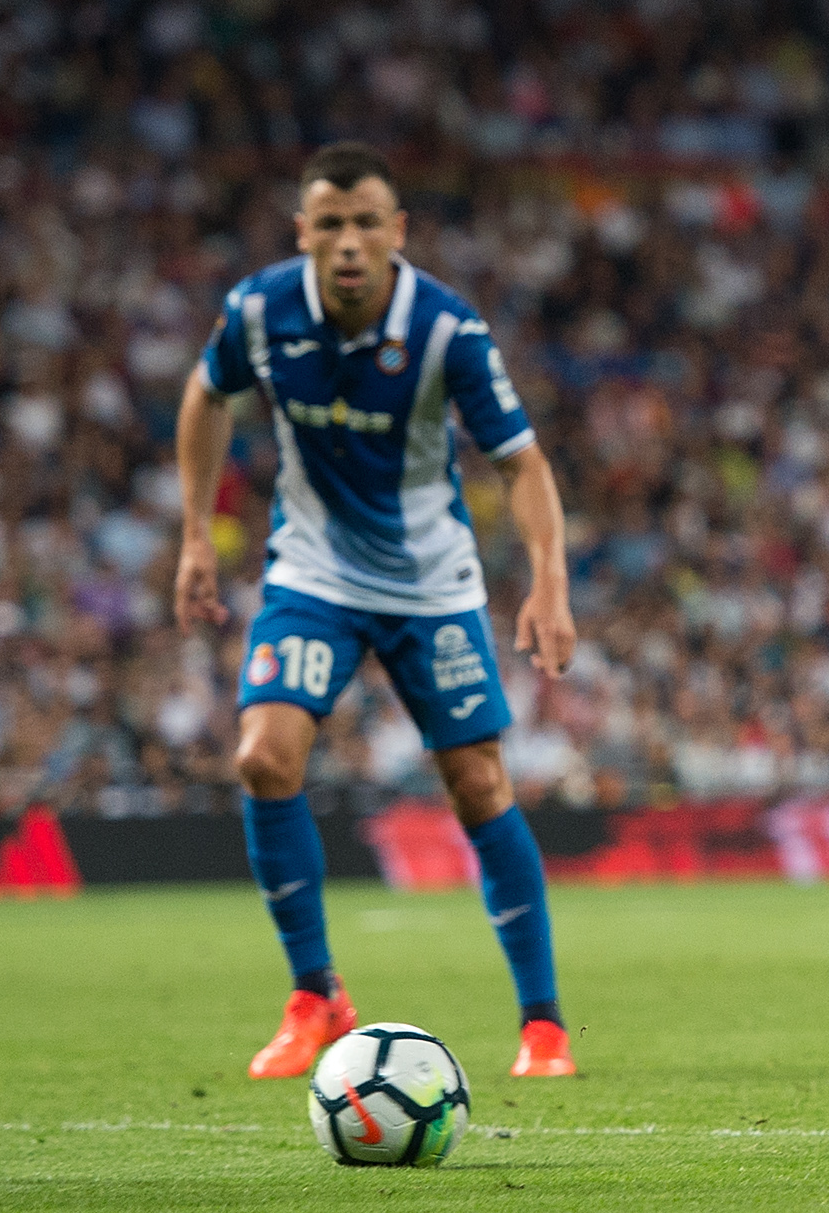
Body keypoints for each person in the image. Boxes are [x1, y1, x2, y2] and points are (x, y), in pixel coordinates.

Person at [172, 143, 580, 1080]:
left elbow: (521, 461)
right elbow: (205, 395)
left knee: (478, 785)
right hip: (312, 572)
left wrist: (549, 580)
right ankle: (316, 995)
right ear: (303, 232)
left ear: (397, 233)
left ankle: (544, 1023)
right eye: (330, 224)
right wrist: (197, 532)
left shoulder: (446, 330)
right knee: (262, 755)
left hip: (430, 584)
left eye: (367, 224)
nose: (348, 243)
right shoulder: (261, 310)